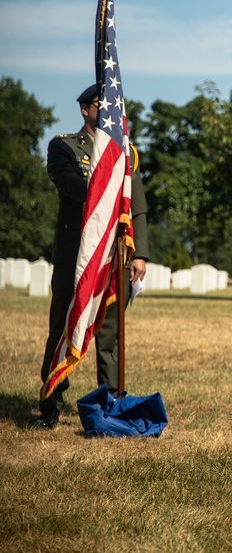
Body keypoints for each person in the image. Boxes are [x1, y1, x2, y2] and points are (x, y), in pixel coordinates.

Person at [33, 84, 150, 430]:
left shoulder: (125, 152)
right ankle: (51, 402)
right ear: (85, 109)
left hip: (115, 256)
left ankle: (111, 401)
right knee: (62, 329)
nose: (110, 112)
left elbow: (138, 206)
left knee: (110, 334)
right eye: (102, 105)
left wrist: (139, 253)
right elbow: (68, 184)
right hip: (77, 258)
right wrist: (106, 184)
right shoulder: (64, 146)